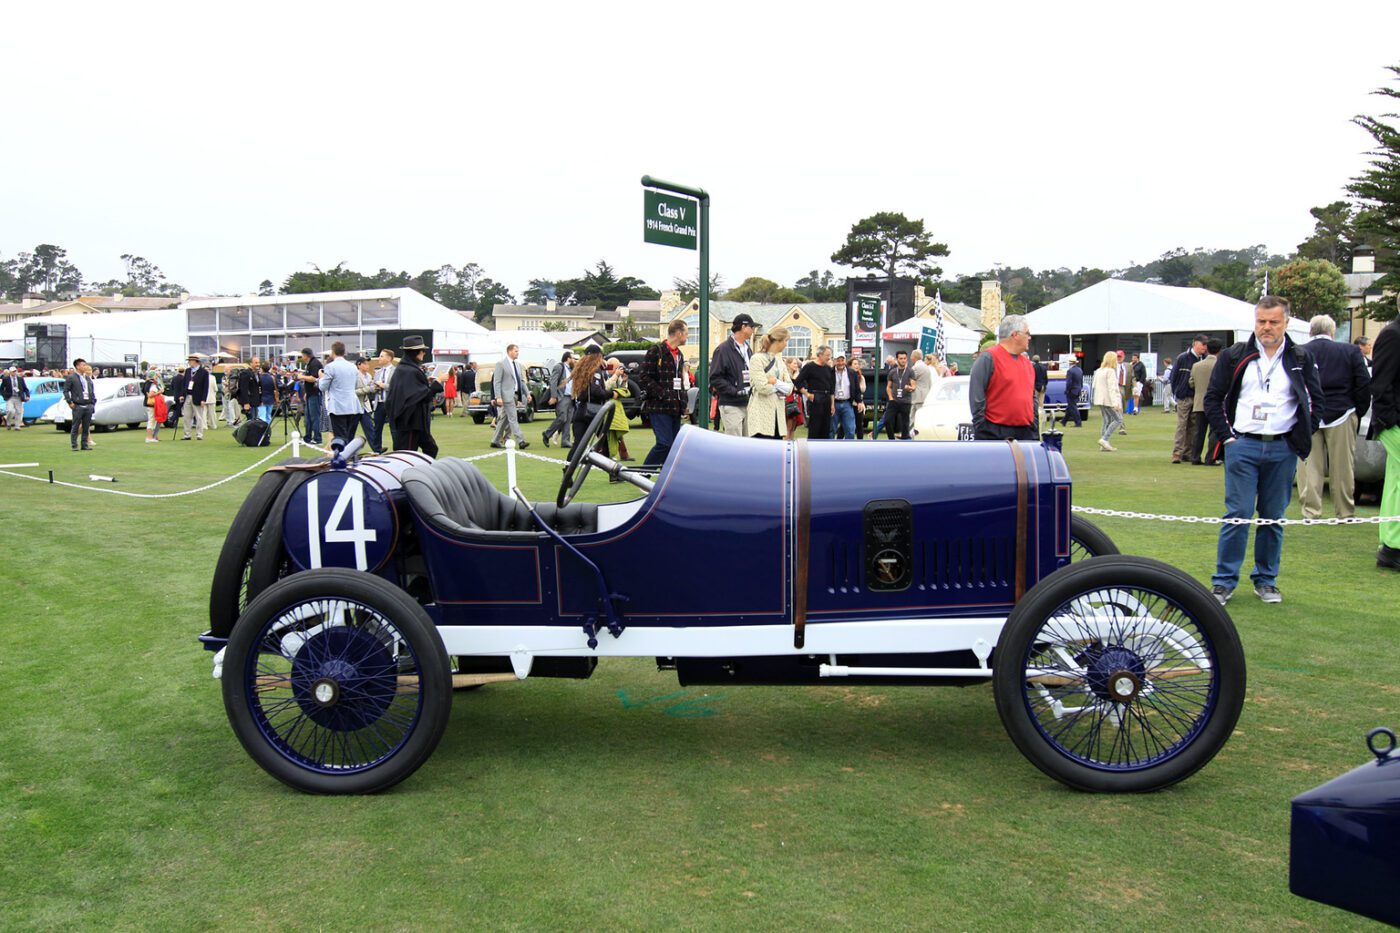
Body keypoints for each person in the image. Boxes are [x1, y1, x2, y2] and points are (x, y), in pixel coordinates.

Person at [1203, 296, 1323, 605]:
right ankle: (1224, 581)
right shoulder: (1234, 355)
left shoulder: (1300, 356)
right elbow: (1213, 399)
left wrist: (1299, 438)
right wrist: (1228, 438)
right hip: (1242, 444)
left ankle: (1266, 580)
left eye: (1273, 322)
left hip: (1282, 447)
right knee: (1238, 515)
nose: (1266, 328)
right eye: (1261, 321)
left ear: (1286, 323)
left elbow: (1315, 400)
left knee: (1273, 517)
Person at [1299, 315, 1371, 519]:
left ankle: (1311, 512)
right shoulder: (1349, 351)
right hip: (1342, 411)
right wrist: (1358, 410)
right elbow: (1363, 383)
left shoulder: (1299, 352)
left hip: (1309, 413)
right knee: (1343, 468)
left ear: (1311, 331)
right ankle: (1345, 512)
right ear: (1332, 331)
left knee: (1310, 466)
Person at [969, 315, 1037, 441]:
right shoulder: (988, 358)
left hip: (1025, 431)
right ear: (1015, 334)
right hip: (994, 431)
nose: (1029, 337)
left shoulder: (1027, 364)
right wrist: (982, 428)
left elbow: (1032, 398)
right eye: (1027, 333)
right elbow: (976, 396)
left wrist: (1034, 426)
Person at [1368, 315, 1400, 569]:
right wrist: (1390, 420)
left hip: (1393, 420)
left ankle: (1390, 545)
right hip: (1394, 422)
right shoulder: (1393, 334)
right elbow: (1380, 384)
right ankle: (1392, 546)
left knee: (1394, 482)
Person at [638, 321, 689, 465]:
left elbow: (680, 380)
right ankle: (643, 475)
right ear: (678, 334)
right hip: (659, 407)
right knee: (664, 443)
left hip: (675, 407)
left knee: (673, 447)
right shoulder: (656, 350)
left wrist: (683, 402)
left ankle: (666, 478)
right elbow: (644, 377)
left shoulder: (679, 354)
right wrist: (662, 394)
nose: (687, 336)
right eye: (686, 333)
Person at [385, 335, 438, 457]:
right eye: (422, 351)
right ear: (417, 353)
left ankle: (425, 473)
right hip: (410, 422)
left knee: (431, 448)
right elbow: (419, 396)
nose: (424, 353)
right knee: (406, 455)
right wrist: (437, 384)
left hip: (415, 421)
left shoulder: (406, 369)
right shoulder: (408, 371)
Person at [710, 313, 757, 436]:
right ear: (743, 326)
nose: (753, 330)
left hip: (747, 402)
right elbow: (715, 377)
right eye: (751, 327)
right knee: (734, 444)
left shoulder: (748, 349)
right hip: (731, 404)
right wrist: (735, 391)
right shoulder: (723, 349)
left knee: (747, 443)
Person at [747, 327, 791, 439]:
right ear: (778, 341)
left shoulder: (780, 361)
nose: (786, 344)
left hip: (778, 418)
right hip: (761, 417)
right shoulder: (757, 359)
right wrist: (781, 386)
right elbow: (763, 388)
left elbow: (790, 388)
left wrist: (775, 382)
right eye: (785, 341)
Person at [1169, 336, 1207, 461]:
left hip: (1196, 397)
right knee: (1182, 425)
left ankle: (1188, 452)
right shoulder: (1183, 358)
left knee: (1193, 426)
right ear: (1195, 343)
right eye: (1203, 344)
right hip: (1184, 396)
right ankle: (1177, 453)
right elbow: (1173, 377)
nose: (1205, 347)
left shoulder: (1204, 359)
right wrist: (1177, 392)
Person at [317, 341, 361, 445]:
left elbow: (323, 387)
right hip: (351, 405)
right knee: (348, 434)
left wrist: (321, 378)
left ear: (333, 352)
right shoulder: (353, 366)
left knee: (340, 436)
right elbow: (355, 385)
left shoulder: (330, 367)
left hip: (338, 406)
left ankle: (343, 457)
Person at [489, 343, 531, 449]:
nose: (518, 353)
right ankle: (521, 441)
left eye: (518, 351)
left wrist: (527, 393)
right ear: (509, 351)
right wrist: (498, 397)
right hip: (505, 396)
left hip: (514, 396)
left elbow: (521, 381)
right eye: (516, 351)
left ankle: (494, 441)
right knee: (513, 418)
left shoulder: (517, 365)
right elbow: (496, 382)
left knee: (504, 419)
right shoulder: (501, 364)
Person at [1188, 338, 1222, 465]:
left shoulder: (1197, 365)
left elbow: (1191, 383)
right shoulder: (1220, 364)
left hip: (1199, 402)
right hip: (1215, 403)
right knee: (1214, 432)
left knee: (1198, 432)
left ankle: (1195, 457)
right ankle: (1210, 458)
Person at [569, 346, 610, 450]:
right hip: (593, 410)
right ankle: (606, 464)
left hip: (581, 409)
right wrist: (610, 394)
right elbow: (596, 390)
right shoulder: (595, 371)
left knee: (578, 444)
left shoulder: (582, 370)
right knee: (603, 441)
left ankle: (568, 466)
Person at [795, 345, 835, 439]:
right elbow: (798, 382)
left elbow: (832, 388)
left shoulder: (829, 369)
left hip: (827, 399)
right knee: (815, 427)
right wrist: (807, 394)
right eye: (827, 355)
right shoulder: (809, 367)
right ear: (820, 354)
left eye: (830, 355)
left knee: (826, 427)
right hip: (815, 398)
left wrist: (832, 404)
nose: (829, 357)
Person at [542, 350, 575, 449]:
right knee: (562, 417)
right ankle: (547, 434)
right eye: (573, 358)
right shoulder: (559, 367)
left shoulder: (571, 369)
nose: (574, 360)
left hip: (570, 397)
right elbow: (553, 382)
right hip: (562, 396)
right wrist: (553, 396)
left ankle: (565, 441)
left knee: (568, 420)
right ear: (568, 358)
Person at [63, 358, 98, 451]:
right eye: (83, 365)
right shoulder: (71, 378)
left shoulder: (87, 378)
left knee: (86, 427)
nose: (85, 367)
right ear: (77, 366)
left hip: (88, 404)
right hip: (78, 405)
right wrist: (69, 402)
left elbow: (91, 390)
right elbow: (66, 390)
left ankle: (84, 444)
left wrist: (93, 402)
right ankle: (74, 445)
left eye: (85, 365)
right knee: (75, 426)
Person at [602, 359, 633, 464]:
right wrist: (615, 375)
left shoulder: (616, 376)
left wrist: (624, 380)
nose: (617, 370)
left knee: (617, 430)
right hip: (603, 407)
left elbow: (623, 390)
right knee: (607, 433)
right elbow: (606, 387)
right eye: (615, 367)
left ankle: (622, 454)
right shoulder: (603, 373)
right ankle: (602, 453)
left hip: (614, 407)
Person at [1092, 351, 1123, 451]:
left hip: (1099, 398)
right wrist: (1115, 403)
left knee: (1106, 420)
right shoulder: (1110, 371)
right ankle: (1104, 439)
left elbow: (1094, 385)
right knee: (1118, 419)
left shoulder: (1099, 371)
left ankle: (1104, 445)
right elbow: (1112, 388)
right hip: (1108, 399)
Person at [883, 351, 916, 440]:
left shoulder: (910, 371)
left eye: (905, 358)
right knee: (887, 420)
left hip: (905, 401)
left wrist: (909, 387)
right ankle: (891, 439)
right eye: (901, 358)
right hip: (894, 401)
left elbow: (914, 386)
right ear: (897, 359)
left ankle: (905, 440)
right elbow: (889, 387)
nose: (903, 360)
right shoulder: (892, 372)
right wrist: (890, 398)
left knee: (905, 423)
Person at [178, 353, 210, 441]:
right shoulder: (188, 371)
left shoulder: (204, 372)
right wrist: (182, 395)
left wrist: (203, 399)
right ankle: (187, 434)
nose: (189, 363)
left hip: (198, 397)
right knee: (186, 417)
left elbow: (205, 387)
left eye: (190, 361)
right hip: (188, 396)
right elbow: (184, 384)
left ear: (195, 362)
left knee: (199, 417)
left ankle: (199, 434)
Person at [354, 357, 382, 452]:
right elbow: (352, 392)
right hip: (355, 406)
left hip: (365, 406)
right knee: (351, 430)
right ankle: (348, 451)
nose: (367, 366)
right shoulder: (354, 375)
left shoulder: (369, 376)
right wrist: (368, 389)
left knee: (370, 428)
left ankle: (377, 449)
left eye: (368, 364)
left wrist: (374, 388)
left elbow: (370, 389)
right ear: (359, 365)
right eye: (365, 364)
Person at [832, 354, 864, 440]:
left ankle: (849, 450)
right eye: (838, 360)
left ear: (845, 361)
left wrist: (859, 402)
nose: (840, 363)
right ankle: (829, 449)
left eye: (842, 360)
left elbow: (857, 389)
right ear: (834, 361)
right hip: (834, 403)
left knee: (850, 429)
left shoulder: (851, 372)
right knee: (831, 429)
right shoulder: (830, 372)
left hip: (847, 403)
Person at [297, 348, 324, 444]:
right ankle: (307, 437)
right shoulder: (310, 364)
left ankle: (317, 438)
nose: (302, 357)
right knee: (307, 417)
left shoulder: (314, 363)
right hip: (310, 394)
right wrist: (306, 393)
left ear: (305, 355)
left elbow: (314, 378)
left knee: (314, 416)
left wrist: (302, 377)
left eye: (302, 355)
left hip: (315, 394)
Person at [370, 349, 395, 452]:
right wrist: (375, 387)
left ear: (389, 358)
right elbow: (372, 387)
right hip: (379, 403)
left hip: (390, 404)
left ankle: (397, 450)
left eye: (381, 356)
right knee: (377, 428)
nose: (379, 358)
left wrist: (383, 385)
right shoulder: (378, 372)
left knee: (393, 428)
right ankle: (377, 450)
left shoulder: (396, 371)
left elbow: (396, 387)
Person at [909, 349, 934, 426]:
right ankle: (906, 434)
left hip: (918, 396)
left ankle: (908, 434)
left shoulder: (915, 367)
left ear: (914, 357)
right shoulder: (926, 367)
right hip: (924, 395)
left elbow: (911, 380)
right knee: (912, 417)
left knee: (917, 418)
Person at [1059, 357, 1084, 427]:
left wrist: (1067, 390)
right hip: (1078, 390)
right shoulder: (1080, 370)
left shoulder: (1070, 371)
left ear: (1070, 363)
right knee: (1070, 406)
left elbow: (1069, 383)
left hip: (1072, 391)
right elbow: (1081, 381)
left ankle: (1078, 423)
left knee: (1073, 407)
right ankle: (1064, 421)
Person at [144, 371, 166, 443]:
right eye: (156, 375)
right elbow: (150, 395)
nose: (157, 377)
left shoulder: (147, 383)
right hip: (151, 404)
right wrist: (159, 392)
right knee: (151, 420)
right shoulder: (151, 384)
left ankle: (152, 437)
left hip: (150, 404)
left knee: (152, 420)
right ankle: (149, 437)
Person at [1032, 354, 1048, 428]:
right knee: (1041, 404)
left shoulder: (1033, 367)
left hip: (1035, 386)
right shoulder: (1044, 367)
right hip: (1043, 386)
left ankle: (1036, 418)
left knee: (1035, 403)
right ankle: (1043, 419)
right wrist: (1044, 385)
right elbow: (1046, 378)